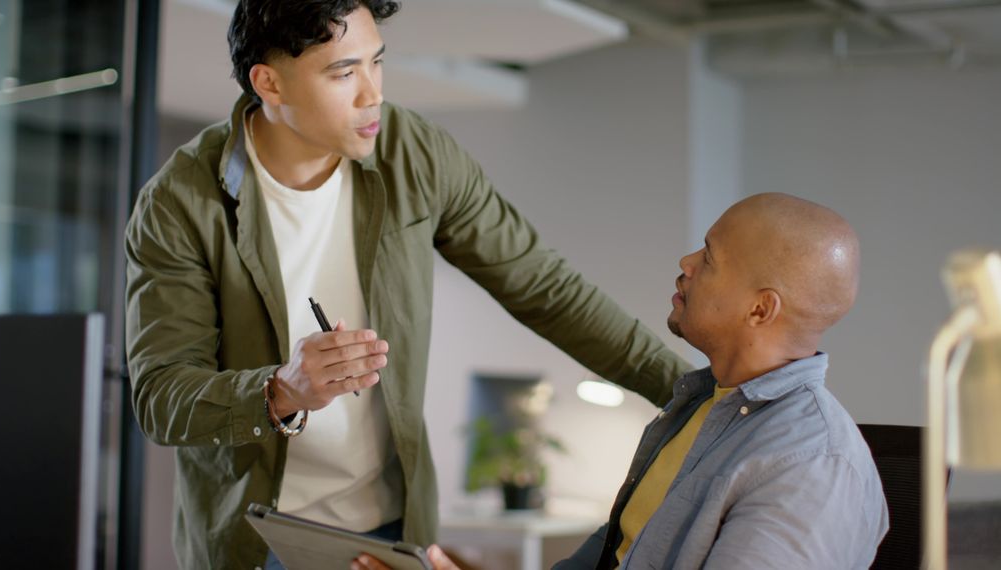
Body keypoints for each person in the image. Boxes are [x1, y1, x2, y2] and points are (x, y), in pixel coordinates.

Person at [123, 1, 688, 568]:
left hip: (391, 530)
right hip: (256, 538)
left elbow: (546, 289)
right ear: (269, 83)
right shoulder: (179, 203)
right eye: (344, 72)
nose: (372, 94)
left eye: (377, 62)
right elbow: (161, 397)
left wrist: (692, 393)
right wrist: (282, 389)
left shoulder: (414, 154)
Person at [354, 193, 889, 570]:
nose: (686, 262)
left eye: (710, 257)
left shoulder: (813, 466)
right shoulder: (698, 409)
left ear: (760, 309)